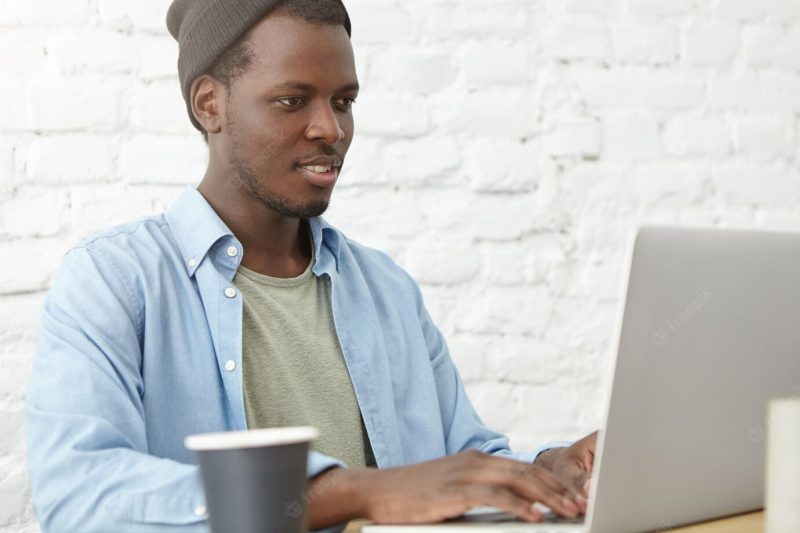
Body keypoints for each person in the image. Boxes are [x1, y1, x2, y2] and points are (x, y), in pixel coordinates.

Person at [26, 0, 597, 531]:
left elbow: (456, 463)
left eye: (343, 100)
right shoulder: (114, 282)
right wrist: (351, 493)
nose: (331, 129)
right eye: (292, 100)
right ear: (210, 105)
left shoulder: (385, 289)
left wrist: (547, 469)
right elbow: (80, 496)